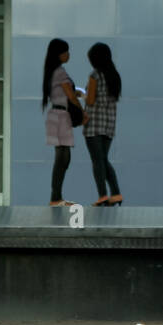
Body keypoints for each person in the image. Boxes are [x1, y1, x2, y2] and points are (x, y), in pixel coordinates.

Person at [42, 38, 86, 207]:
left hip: (56, 115)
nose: (68, 54)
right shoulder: (60, 72)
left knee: (62, 157)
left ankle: (56, 197)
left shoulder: (53, 71)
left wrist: (78, 93)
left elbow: (68, 91)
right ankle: (56, 198)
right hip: (61, 116)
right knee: (62, 157)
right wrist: (82, 112)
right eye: (66, 51)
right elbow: (69, 94)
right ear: (59, 54)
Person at [83, 42, 123, 206]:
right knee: (104, 159)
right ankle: (116, 193)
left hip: (94, 125)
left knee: (97, 161)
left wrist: (82, 95)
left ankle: (102, 195)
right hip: (109, 125)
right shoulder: (114, 75)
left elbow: (91, 100)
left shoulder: (95, 76)